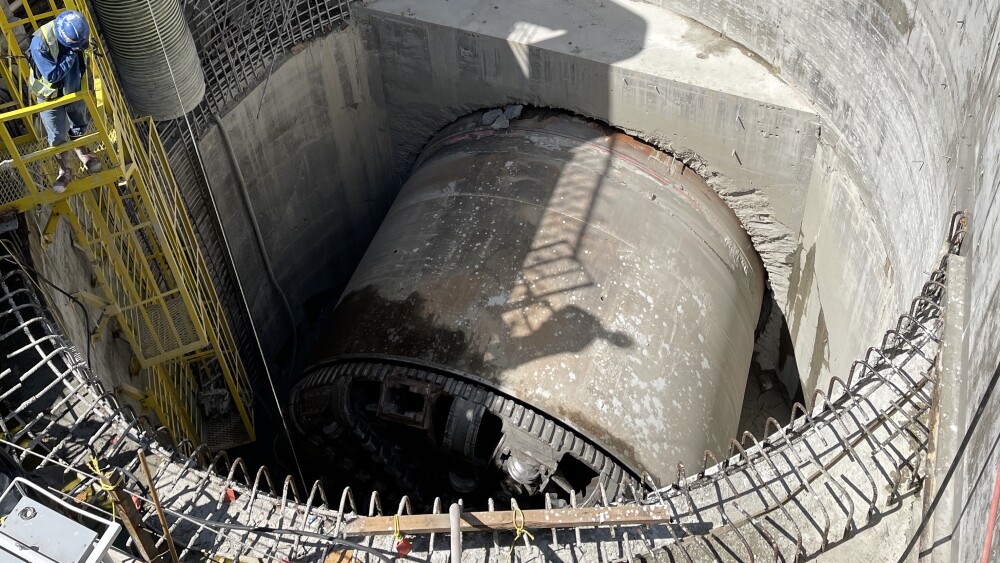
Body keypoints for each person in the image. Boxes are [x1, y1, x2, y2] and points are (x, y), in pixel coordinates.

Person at [27, 10, 101, 194]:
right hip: (49, 95)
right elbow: (52, 75)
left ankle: (84, 153)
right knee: (57, 134)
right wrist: (71, 54)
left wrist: (80, 49)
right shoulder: (40, 44)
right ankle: (64, 170)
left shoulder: (77, 29)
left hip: (73, 85)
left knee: (79, 121)